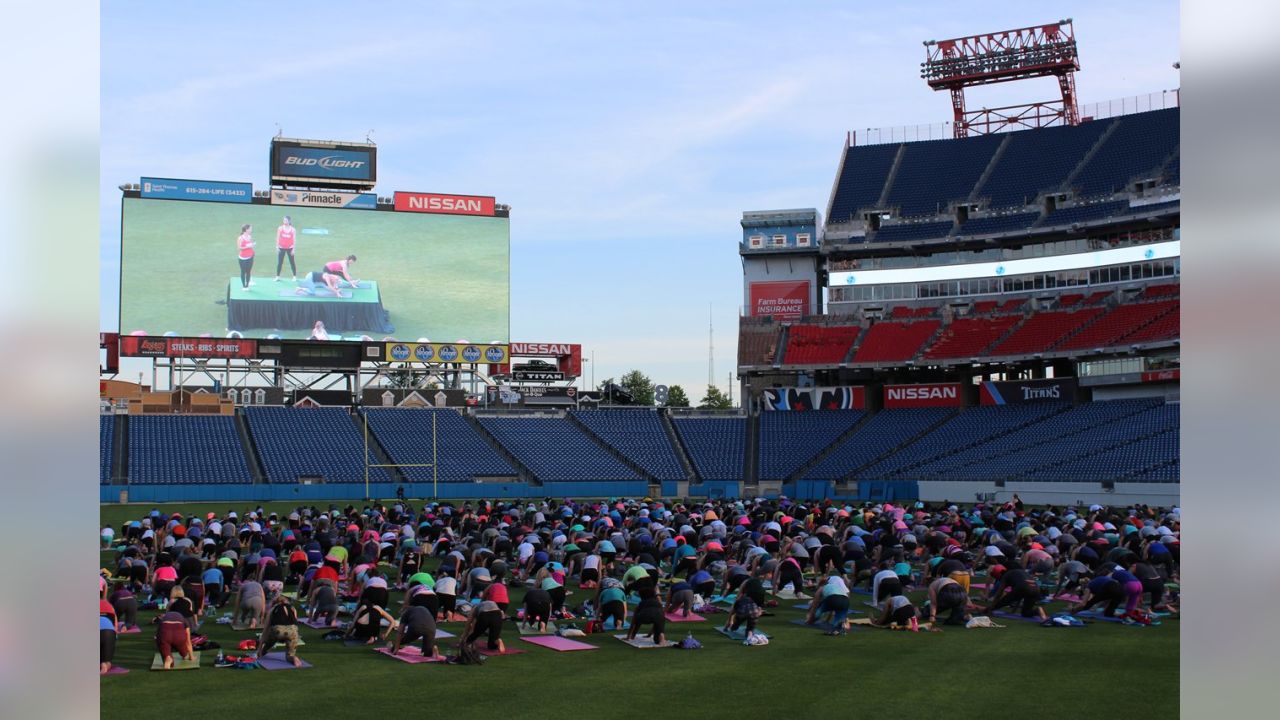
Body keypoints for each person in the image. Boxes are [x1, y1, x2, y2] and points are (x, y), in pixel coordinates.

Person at [256, 595, 303, 668]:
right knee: (289, 655)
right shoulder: (293, 608)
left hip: (278, 630)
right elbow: (295, 623)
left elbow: (265, 629)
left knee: (269, 642)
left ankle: (262, 652)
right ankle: (293, 658)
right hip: (293, 631)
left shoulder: (273, 609)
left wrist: (259, 649)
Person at [274, 216, 297, 281]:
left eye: (286, 220)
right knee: (280, 262)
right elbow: (278, 237)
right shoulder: (280, 228)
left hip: (290, 248)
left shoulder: (293, 229)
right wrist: (277, 246)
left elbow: (294, 239)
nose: (284, 222)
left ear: (289, 221)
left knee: (292, 262)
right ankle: (277, 276)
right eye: (284, 220)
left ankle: (294, 276)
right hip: (281, 248)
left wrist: (293, 249)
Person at [236, 224, 255, 289]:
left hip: (250, 257)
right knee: (243, 271)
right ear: (246, 230)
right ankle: (243, 286)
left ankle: (247, 285)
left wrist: (252, 245)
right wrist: (248, 246)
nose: (251, 230)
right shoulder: (240, 238)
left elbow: (251, 244)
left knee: (248, 271)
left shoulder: (250, 237)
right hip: (243, 258)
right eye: (250, 229)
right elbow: (239, 248)